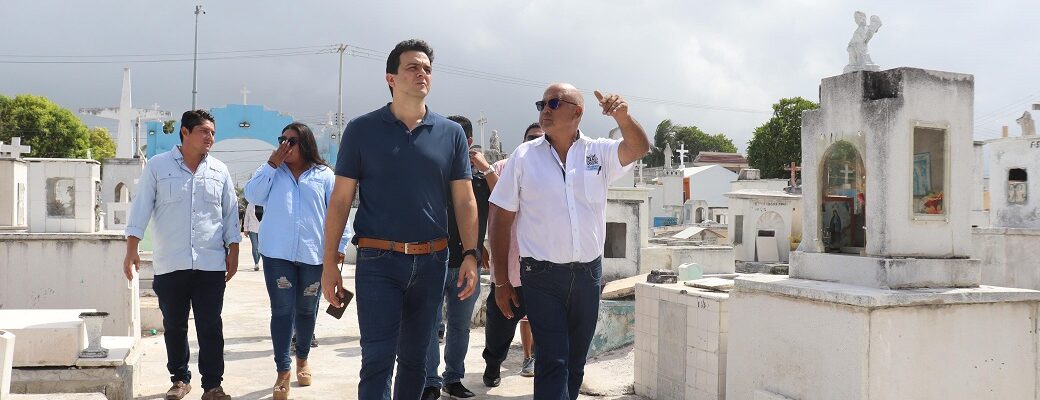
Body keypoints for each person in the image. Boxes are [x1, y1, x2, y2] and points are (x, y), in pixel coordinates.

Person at [321, 39, 480, 400]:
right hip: (378, 261)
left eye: (427, 68)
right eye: (412, 67)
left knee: (415, 362)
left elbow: (465, 199)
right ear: (390, 78)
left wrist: (471, 254)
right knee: (377, 360)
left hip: (433, 262)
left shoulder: (451, 133)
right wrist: (330, 262)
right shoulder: (361, 130)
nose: (422, 73)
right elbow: (341, 200)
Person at [488, 84, 650, 399]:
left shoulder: (599, 152)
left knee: (576, 362)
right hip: (541, 277)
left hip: (588, 275)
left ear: (577, 112)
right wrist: (501, 281)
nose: (544, 110)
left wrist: (623, 117)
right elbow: (500, 219)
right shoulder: (524, 156)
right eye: (541, 104)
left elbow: (638, 147)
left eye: (553, 103)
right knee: (553, 360)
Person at [123, 109, 239, 400]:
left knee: (210, 326)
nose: (210, 137)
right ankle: (179, 379)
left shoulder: (219, 170)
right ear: (185, 132)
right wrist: (131, 249)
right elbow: (141, 207)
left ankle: (212, 385)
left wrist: (234, 250)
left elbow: (230, 214)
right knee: (174, 326)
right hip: (171, 262)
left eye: (212, 132)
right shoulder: (158, 167)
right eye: (204, 131)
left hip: (210, 263)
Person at [244, 122, 349, 400]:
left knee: (306, 309)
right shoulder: (271, 171)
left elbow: (338, 210)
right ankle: (283, 371)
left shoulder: (324, 175)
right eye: (282, 139)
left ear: (305, 144)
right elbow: (252, 195)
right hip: (277, 255)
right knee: (281, 311)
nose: (285, 145)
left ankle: (302, 359)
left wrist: (339, 248)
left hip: (314, 255)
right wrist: (272, 164)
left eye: (291, 141)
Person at [421, 115, 496, 399]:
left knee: (460, 327)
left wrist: (486, 168)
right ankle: (430, 382)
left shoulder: (479, 181)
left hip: (467, 264)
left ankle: (453, 379)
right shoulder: (431, 175)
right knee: (429, 326)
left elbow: (505, 198)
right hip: (432, 262)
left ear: (469, 142)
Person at [481, 122, 544, 387]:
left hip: (545, 270)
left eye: (541, 138)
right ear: (522, 140)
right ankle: (493, 364)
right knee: (500, 325)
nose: (535, 143)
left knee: (546, 326)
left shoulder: (556, 170)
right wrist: (479, 245)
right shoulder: (502, 168)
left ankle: (539, 365)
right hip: (509, 268)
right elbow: (495, 202)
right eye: (531, 138)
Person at [243, 202, 262, 271]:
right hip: (252, 229)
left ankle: (257, 261)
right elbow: (247, 217)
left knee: (260, 247)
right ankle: (256, 263)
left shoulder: (264, 204)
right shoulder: (250, 205)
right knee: (255, 246)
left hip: (262, 229)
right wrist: (245, 229)